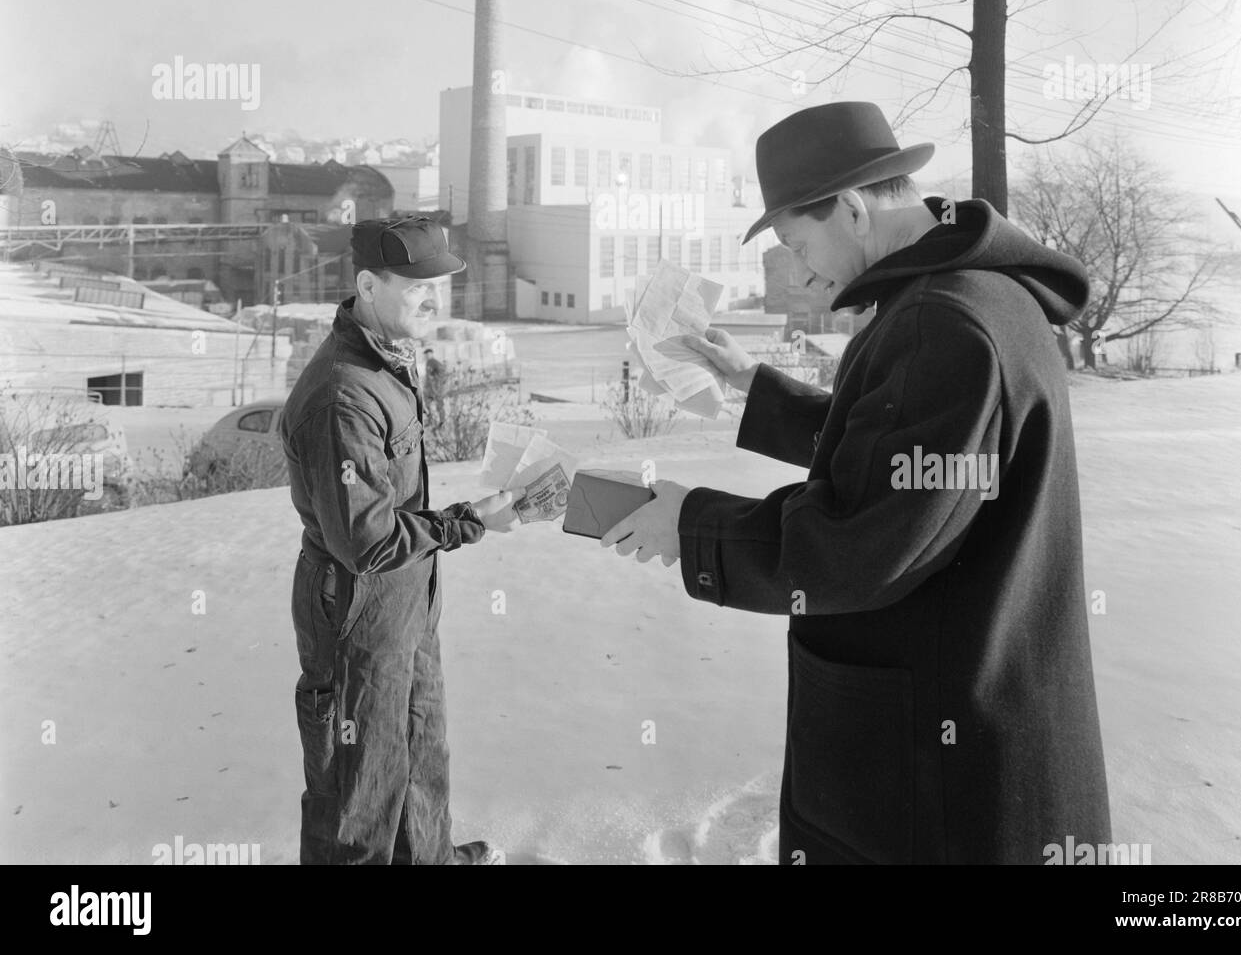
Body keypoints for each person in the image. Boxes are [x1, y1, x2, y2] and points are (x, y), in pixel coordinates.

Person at [603, 101, 1111, 865]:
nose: (803, 270)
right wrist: (755, 387)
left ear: (849, 208)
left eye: (799, 244)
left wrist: (690, 526)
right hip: (962, 735)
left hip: (936, 775)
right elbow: (908, 463)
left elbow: (860, 544)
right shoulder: (967, 295)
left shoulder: (941, 322)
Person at [282, 215, 519, 865]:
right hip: (356, 617)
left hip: (408, 600)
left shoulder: (385, 360)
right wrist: (468, 521)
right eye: (417, 289)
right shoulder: (340, 396)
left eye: (438, 288)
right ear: (367, 284)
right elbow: (365, 538)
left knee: (419, 754)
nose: (433, 303)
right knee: (359, 792)